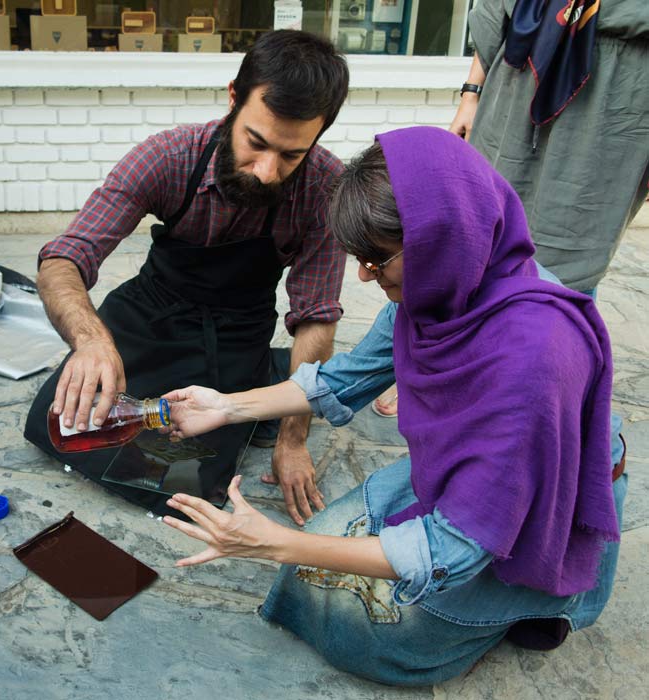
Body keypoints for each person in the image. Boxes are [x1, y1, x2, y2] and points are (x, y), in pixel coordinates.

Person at [160, 127, 627, 686]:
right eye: (360, 257)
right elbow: (345, 378)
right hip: (474, 467)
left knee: (368, 630)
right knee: (311, 576)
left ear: (443, 236)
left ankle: (529, 606)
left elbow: (456, 544)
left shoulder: (534, 354)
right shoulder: (446, 281)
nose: (363, 275)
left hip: (540, 500)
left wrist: (274, 543)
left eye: (377, 259)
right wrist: (226, 406)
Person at [23, 30, 350, 524]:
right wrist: (92, 342)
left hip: (236, 330)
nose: (267, 171)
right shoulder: (168, 157)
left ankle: (265, 376)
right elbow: (63, 259)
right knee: (57, 424)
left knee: (187, 478)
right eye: (256, 142)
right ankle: (271, 375)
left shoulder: (324, 189)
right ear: (233, 98)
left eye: (291, 155)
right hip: (150, 313)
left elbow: (316, 317)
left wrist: (293, 439)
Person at [449, 0, 649, 294]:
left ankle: (554, 319)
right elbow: (495, 9)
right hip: (516, 81)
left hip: (615, 98)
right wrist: (471, 94)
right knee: (475, 234)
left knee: (567, 261)